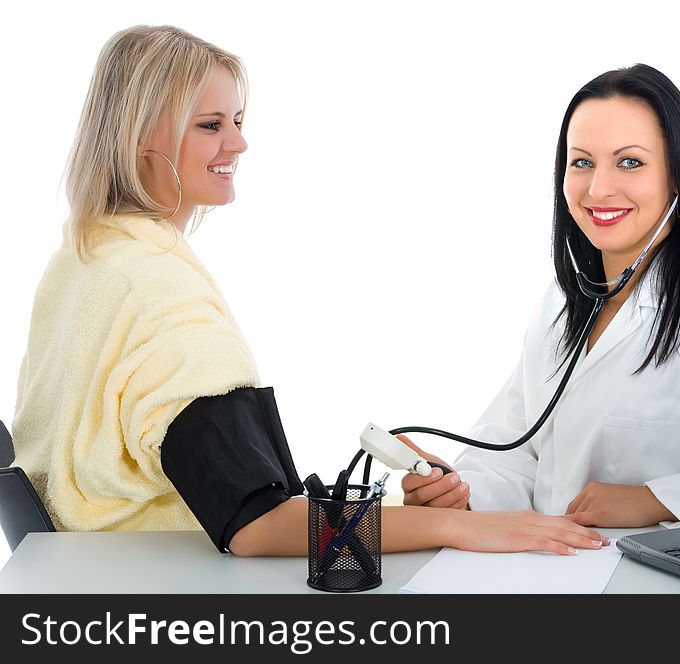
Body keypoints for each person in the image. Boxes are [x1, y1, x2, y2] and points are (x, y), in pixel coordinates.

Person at [11, 24, 609, 557]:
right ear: (142, 138)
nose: (238, 145)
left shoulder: (81, 263)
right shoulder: (156, 290)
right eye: (211, 125)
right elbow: (257, 524)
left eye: (239, 123)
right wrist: (460, 530)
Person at [401, 64, 680, 528]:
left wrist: (657, 499)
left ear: (679, 177)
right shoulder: (557, 308)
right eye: (581, 162)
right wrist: (460, 494)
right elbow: (517, 453)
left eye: (630, 162)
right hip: (543, 573)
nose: (599, 189)